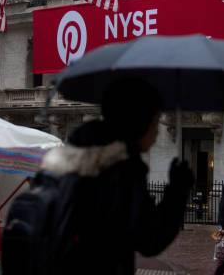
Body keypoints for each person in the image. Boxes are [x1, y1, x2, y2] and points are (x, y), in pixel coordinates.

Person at [40, 78, 194, 274]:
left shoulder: (72, 153)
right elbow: (150, 239)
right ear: (138, 122)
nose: (156, 133)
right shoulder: (121, 169)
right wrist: (177, 191)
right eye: (154, 122)